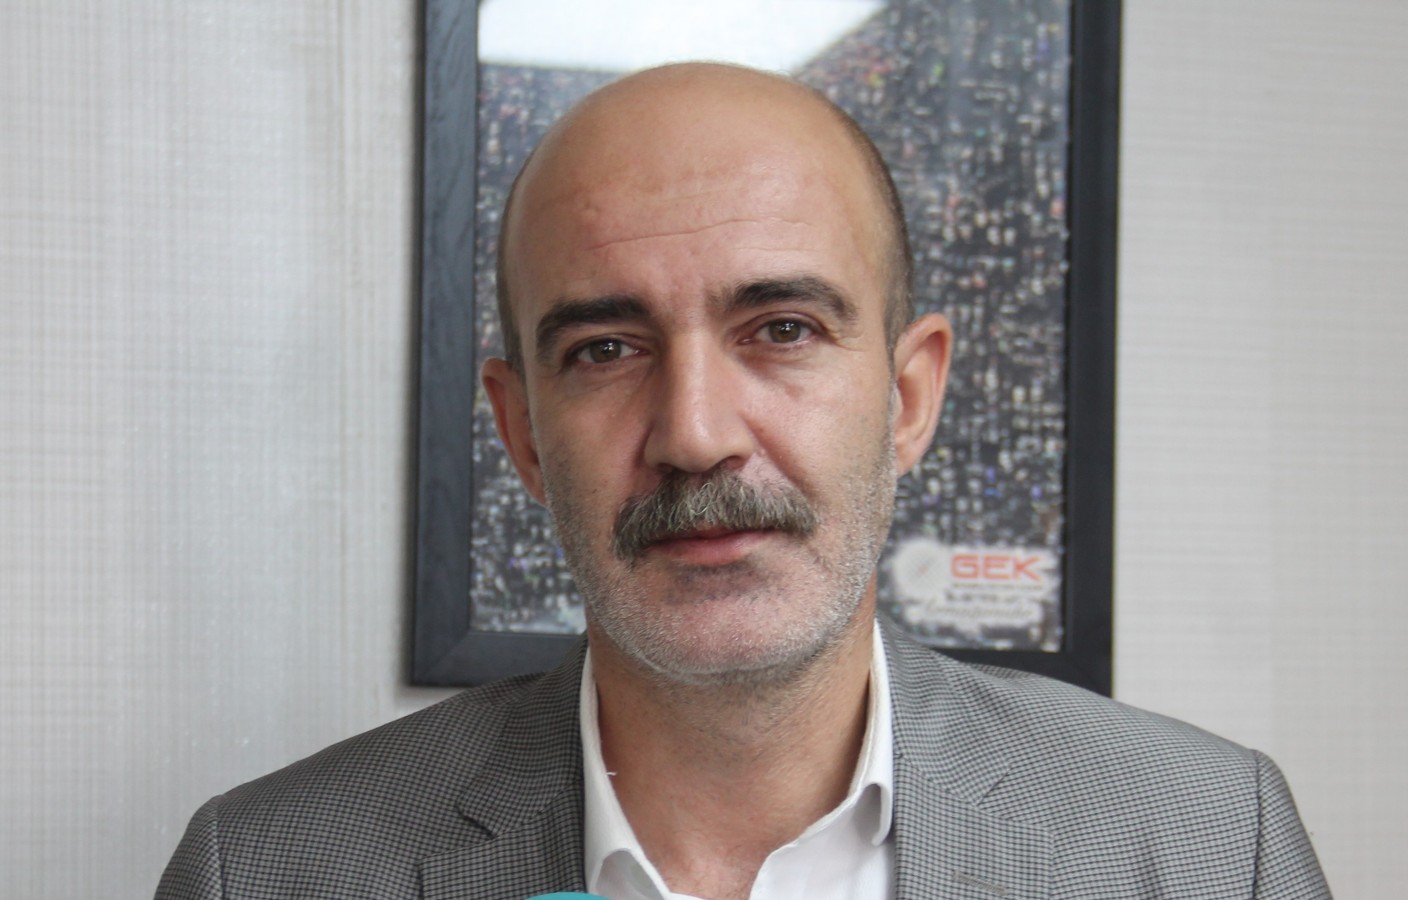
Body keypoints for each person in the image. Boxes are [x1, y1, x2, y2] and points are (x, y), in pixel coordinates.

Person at [157, 63, 1330, 899]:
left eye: (780, 330)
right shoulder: (262, 874)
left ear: (907, 397)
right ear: (522, 434)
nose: (694, 433)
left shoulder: (1206, 848)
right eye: (605, 349)